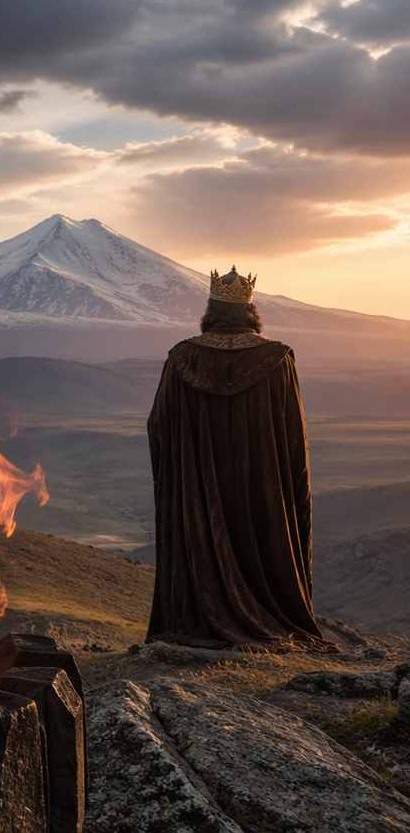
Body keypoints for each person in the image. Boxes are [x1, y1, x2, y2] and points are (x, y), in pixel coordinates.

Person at [146, 268, 331, 651]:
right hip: (260, 485)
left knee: (204, 531)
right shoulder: (277, 359)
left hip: (199, 490)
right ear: (250, 312)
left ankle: (202, 616)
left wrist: (185, 469)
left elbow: (158, 424)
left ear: (211, 311)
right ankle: (267, 613)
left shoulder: (182, 357)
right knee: (261, 537)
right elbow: (293, 435)